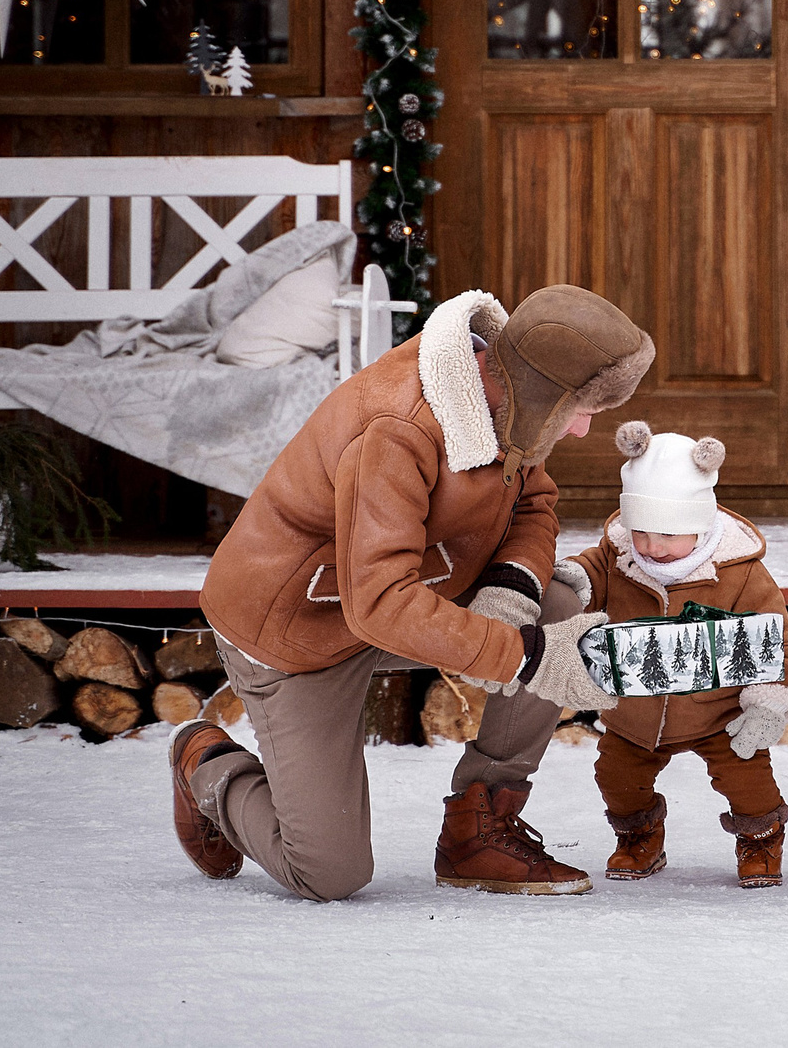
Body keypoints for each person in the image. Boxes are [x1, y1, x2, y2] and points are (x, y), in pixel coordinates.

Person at [167, 284, 654, 901]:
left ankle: (478, 830)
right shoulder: (396, 428)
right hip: (298, 628)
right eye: (580, 408)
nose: (583, 430)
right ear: (543, 392)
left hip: (406, 600)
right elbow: (378, 602)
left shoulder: (507, 402)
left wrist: (508, 590)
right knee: (328, 874)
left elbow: (535, 503)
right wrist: (525, 656)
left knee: (554, 604)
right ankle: (207, 767)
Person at [560, 421, 788, 888]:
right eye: (643, 532)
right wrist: (574, 579)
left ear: (700, 523)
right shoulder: (617, 559)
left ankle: (761, 837)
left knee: (748, 780)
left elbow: (776, 638)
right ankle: (640, 835)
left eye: (670, 535)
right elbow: (591, 572)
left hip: (720, 711)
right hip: (636, 715)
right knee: (616, 777)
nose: (654, 548)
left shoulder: (739, 573)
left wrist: (770, 700)